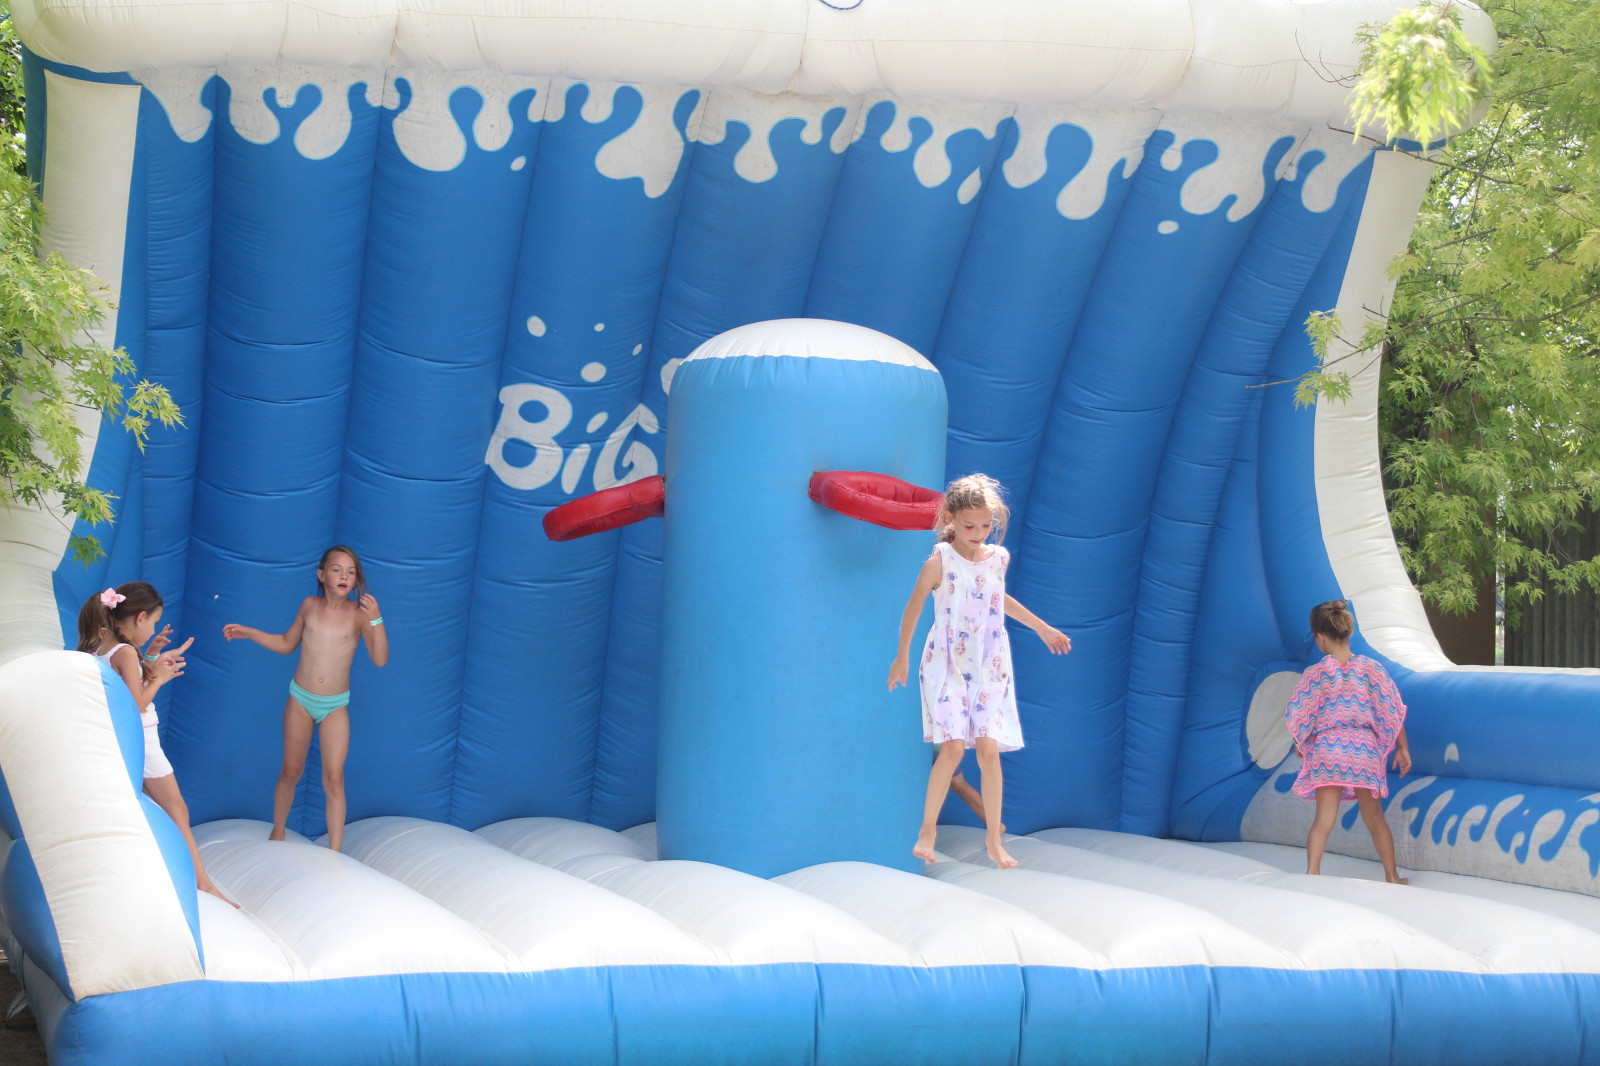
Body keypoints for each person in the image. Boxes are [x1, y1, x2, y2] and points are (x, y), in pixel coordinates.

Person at [888, 474, 1072, 869]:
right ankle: (927, 830)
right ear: (951, 520)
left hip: (989, 663)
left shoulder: (998, 559)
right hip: (947, 663)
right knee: (953, 748)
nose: (978, 533)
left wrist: (1041, 627)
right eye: (969, 526)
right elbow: (914, 608)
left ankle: (993, 839)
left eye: (986, 525)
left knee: (989, 750)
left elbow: (996, 598)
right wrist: (901, 656)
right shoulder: (939, 562)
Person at [223, 546, 387, 852]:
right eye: (337, 570)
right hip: (300, 699)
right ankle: (278, 832)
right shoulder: (309, 606)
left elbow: (380, 659)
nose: (344, 576)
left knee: (334, 779)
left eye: (351, 572)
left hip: (335, 705)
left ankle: (336, 850)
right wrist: (250, 632)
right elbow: (287, 643)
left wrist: (377, 620)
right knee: (291, 770)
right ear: (321, 575)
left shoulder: (359, 616)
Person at [79, 583, 235, 905]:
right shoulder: (124, 652)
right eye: (152, 623)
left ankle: (186, 876)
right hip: (145, 743)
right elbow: (135, 703)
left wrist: (151, 656)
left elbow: (128, 682)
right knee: (177, 809)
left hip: (130, 741)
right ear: (139, 618)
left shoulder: (102, 647)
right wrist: (160, 679)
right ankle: (203, 883)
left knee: (166, 809)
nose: (152, 629)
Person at [1285, 599, 1412, 884]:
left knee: (1324, 819)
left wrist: (1300, 743)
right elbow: (1392, 710)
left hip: (1328, 750)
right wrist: (1402, 748)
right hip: (1364, 751)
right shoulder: (1372, 669)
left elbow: (1301, 713)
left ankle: (1312, 874)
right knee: (1374, 818)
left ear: (1320, 637)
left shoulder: (1316, 674)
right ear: (1347, 632)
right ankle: (1392, 876)